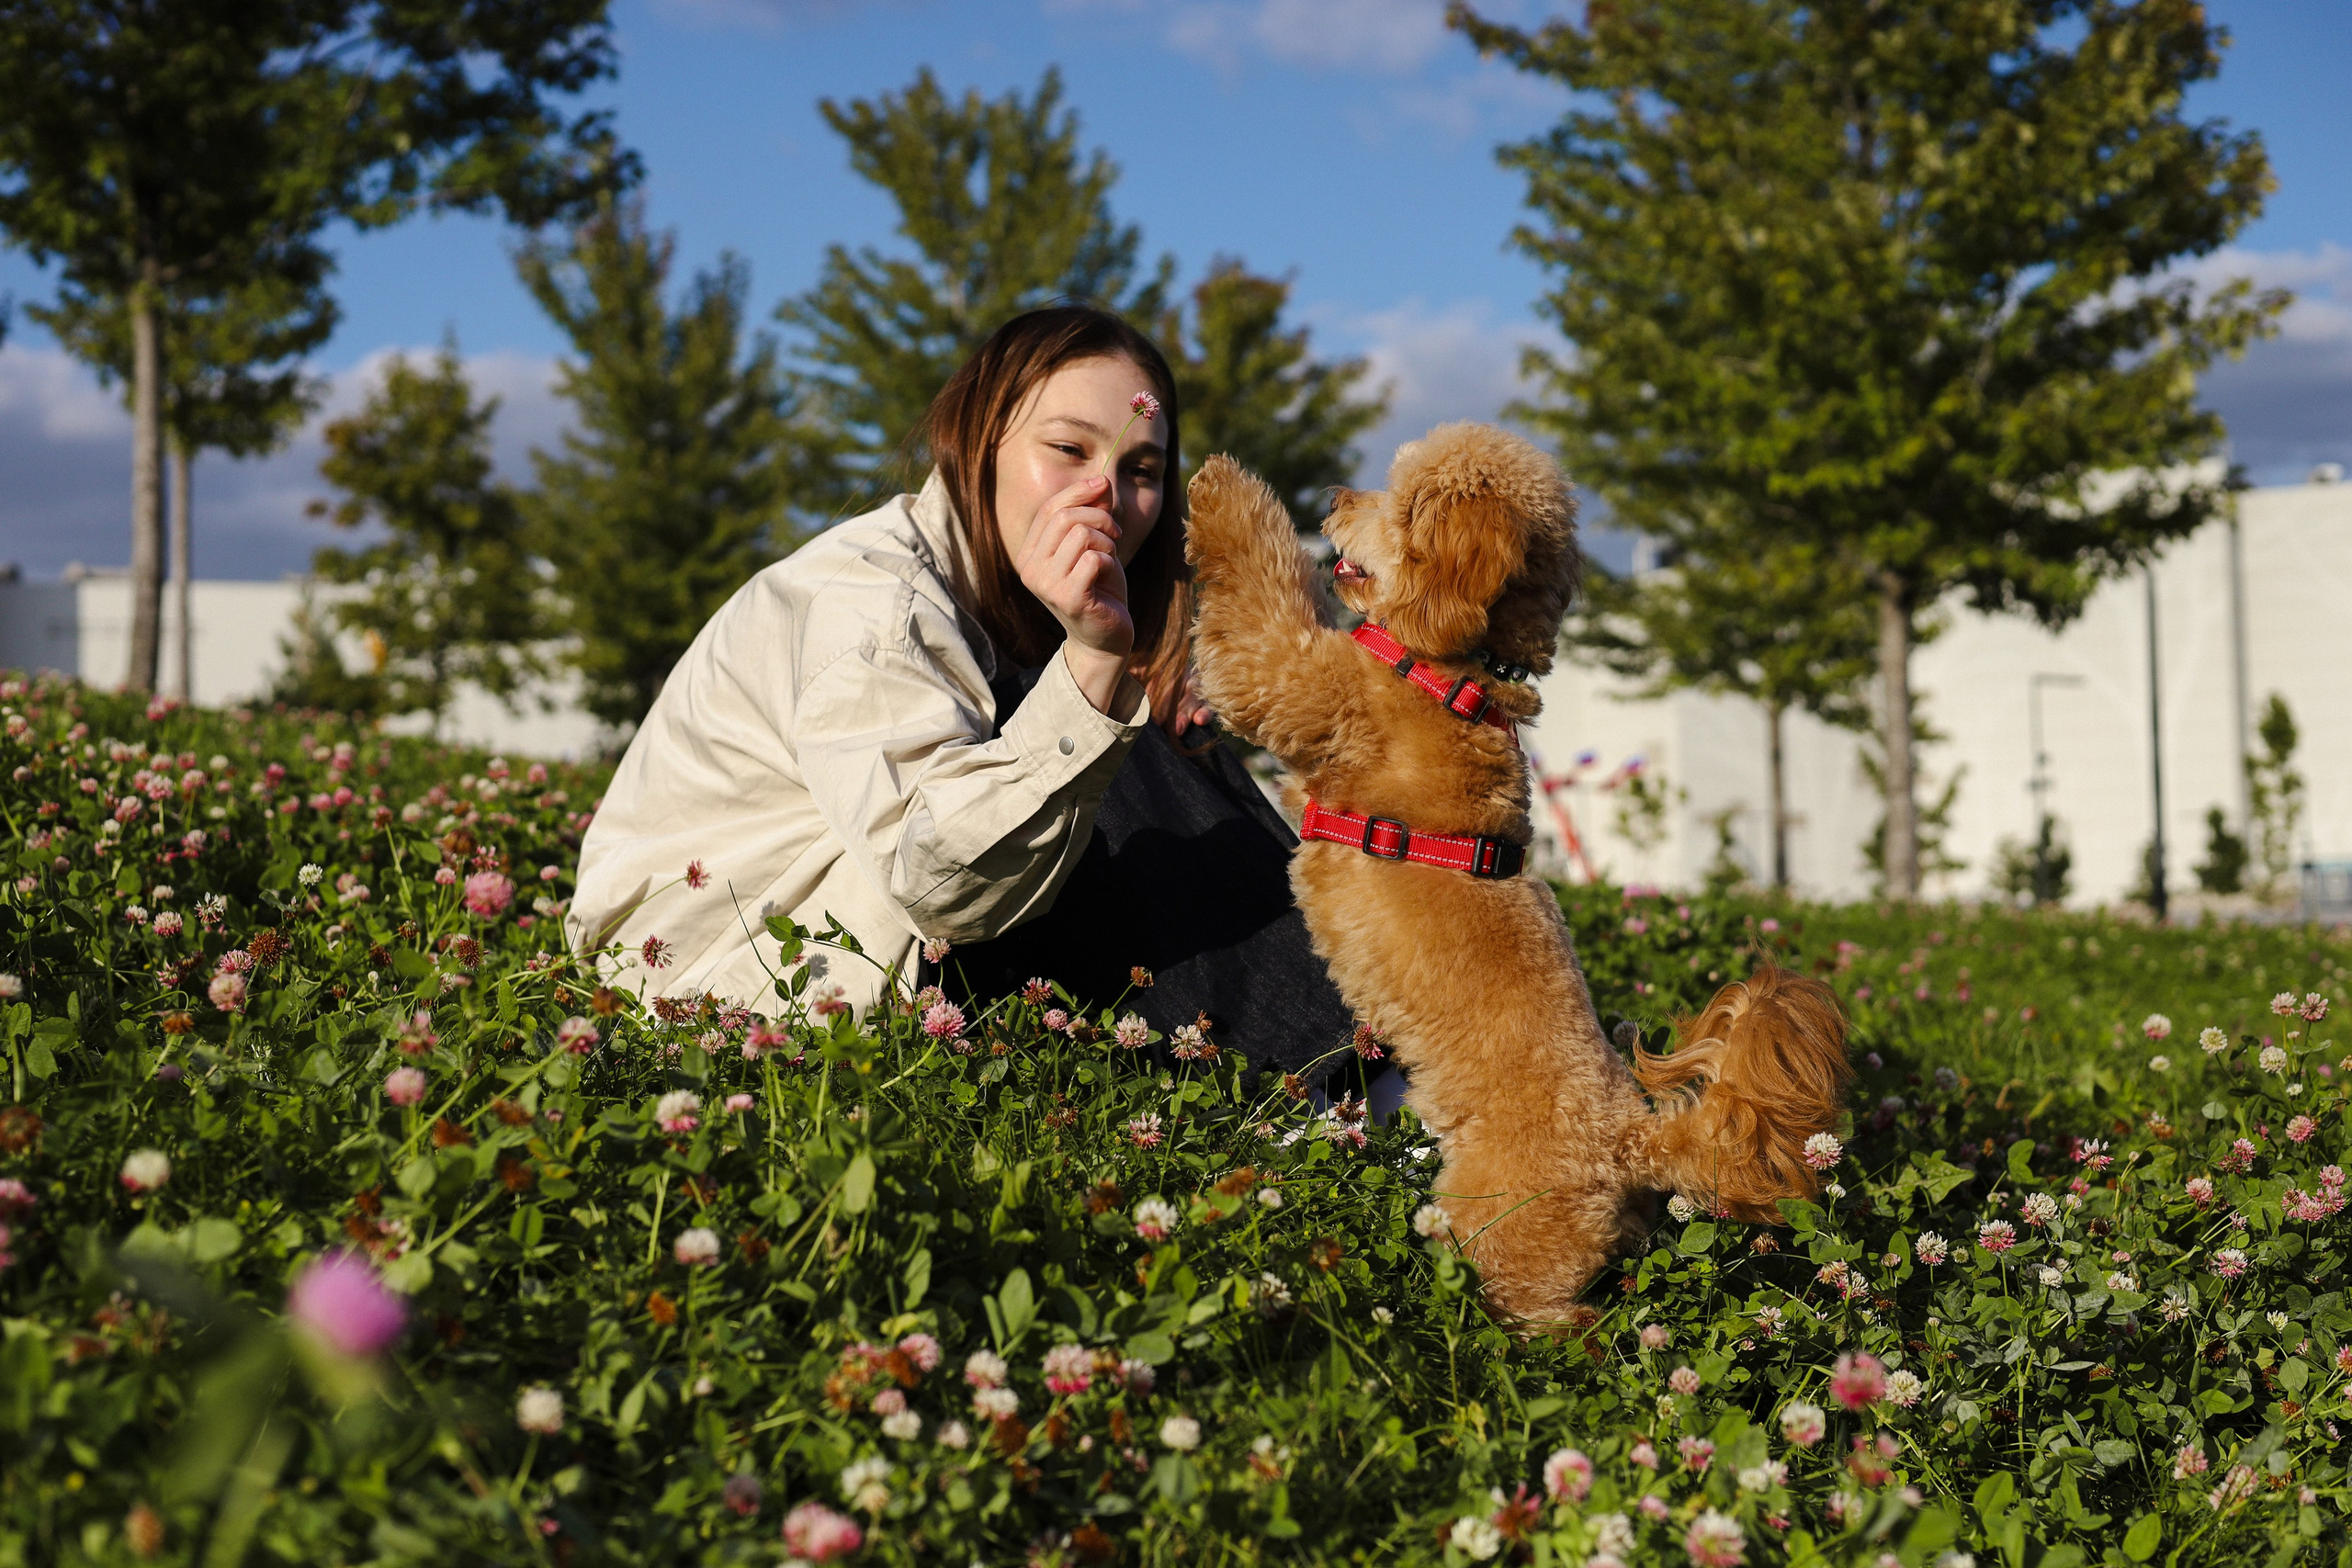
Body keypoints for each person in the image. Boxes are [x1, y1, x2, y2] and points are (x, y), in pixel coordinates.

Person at [565, 305, 1363, 1082]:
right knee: (1075, 715)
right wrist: (1092, 667)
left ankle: (1361, 1057)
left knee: (1128, 712)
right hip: (713, 980)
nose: (1105, 493)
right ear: (978, 444)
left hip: (850, 943)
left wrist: (1131, 676)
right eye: (1068, 448)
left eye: (1141, 470)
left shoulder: (994, 605)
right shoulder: (875, 606)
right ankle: (1346, 1081)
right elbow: (937, 886)